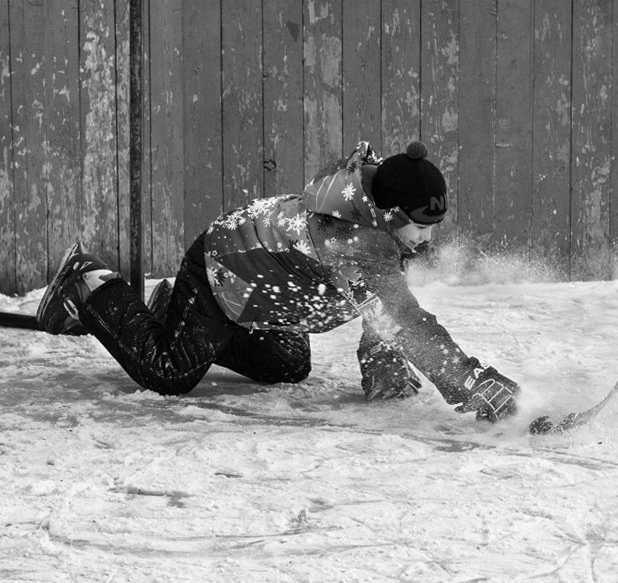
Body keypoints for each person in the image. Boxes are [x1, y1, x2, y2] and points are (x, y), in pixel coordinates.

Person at [36, 140, 521, 422]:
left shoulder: (380, 222)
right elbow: (401, 318)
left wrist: (383, 366)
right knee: (169, 373)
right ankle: (90, 283)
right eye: (422, 224)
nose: (429, 236)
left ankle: (173, 315)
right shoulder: (353, 240)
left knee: (289, 366)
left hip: (264, 297)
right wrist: (470, 382)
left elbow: (384, 306)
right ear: (391, 214)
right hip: (221, 270)